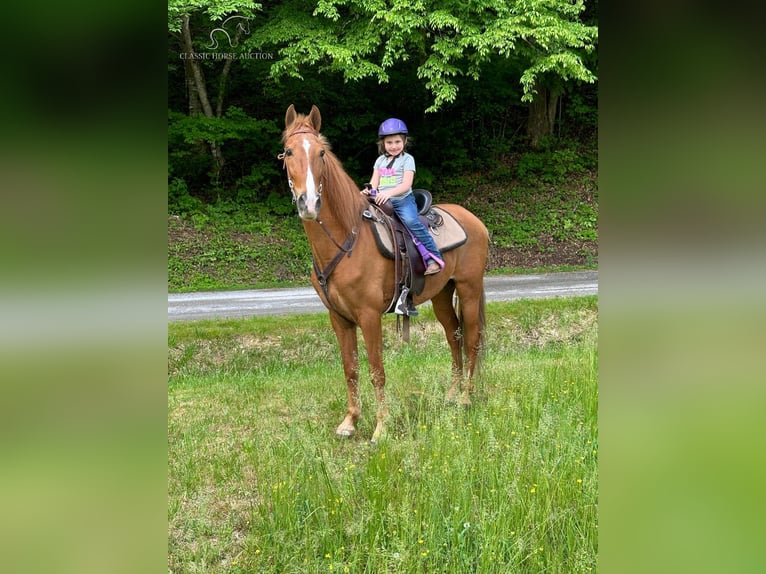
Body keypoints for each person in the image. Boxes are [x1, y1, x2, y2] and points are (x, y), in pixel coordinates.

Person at [361, 118, 444, 275]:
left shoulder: (407, 160)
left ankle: (434, 258)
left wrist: (387, 193)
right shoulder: (380, 161)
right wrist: (367, 191)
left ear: (404, 141)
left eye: (397, 142)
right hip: (382, 201)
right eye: (389, 142)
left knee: (412, 222)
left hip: (402, 200)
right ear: (383, 144)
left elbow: (406, 185)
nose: (394, 146)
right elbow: (374, 183)